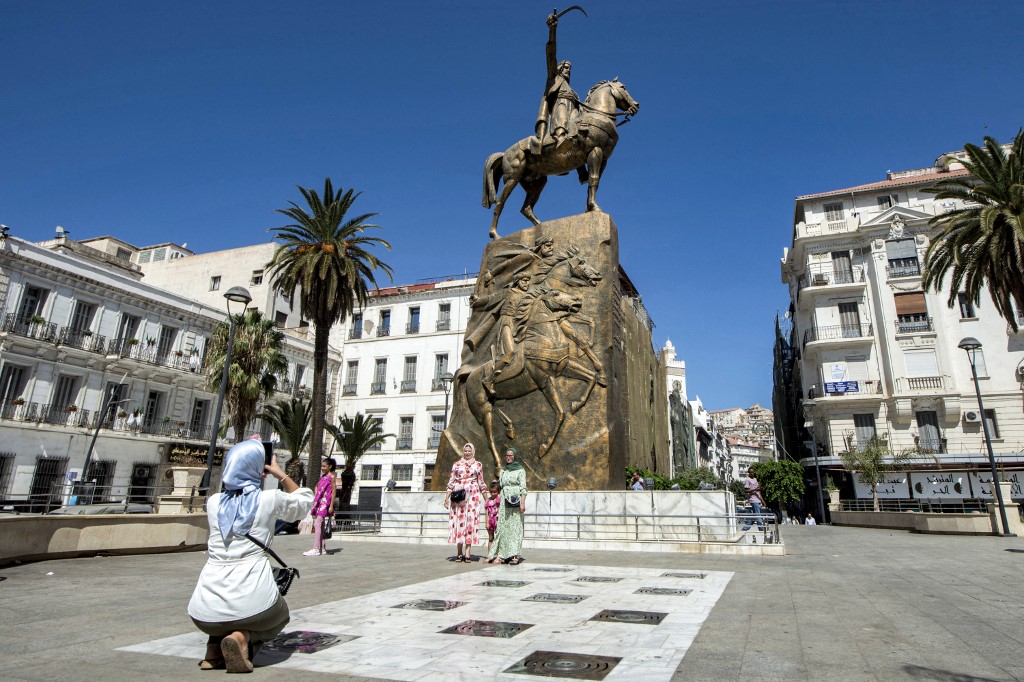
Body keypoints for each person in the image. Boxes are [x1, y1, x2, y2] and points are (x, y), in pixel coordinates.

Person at [187, 438, 313, 673]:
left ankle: (213, 651)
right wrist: (278, 473)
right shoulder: (268, 499)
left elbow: (234, 496)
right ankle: (242, 637)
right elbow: (305, 502)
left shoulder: (214, 503)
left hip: (202, 611)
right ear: (259, 468)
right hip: (254, 602)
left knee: (224, 613)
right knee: (279, 615)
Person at [532, 12, 580, 153]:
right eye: (565, 67)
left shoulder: (573, 92)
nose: (568, 70)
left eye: (569, 69)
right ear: (559, 69)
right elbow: (551, 54)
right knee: (561, 107)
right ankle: (559, 138)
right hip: (560, 109)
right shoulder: (553, 78)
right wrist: (552, 31)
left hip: (574, 112)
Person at [444, 443, 488, 562]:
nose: (467, 453)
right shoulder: (457, 465)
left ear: (473, 452)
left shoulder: (478, 465)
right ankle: (459, 553)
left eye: (469, 451)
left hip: (472, 497)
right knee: (459, 521)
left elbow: (481, 483)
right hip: (459, 496)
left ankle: (467, 553)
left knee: (470, 522)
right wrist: (446, 498)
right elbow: (451, 482)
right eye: (465, 451)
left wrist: (486, 499)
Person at [486, 447, 528, 565]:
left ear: (514, 456)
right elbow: (500, 485)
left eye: (510, 455)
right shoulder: (504, 470)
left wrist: (522, 503)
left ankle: (514, 555)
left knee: (515, 528)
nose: (508, 457)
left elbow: (523, 488)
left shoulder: (520, 470)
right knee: (503, 528)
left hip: (515, 501)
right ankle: (502, 554)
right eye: (506, 455)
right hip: (505, 501)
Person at [304, 457, 337, 557]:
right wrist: (317, 495)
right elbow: (317, 486)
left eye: (324, 466)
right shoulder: (323, 477)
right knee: (320, 525)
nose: (322, 468)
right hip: (320, 503)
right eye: (321, 466)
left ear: (330, 466)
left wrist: (331, 505)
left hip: (325, 503)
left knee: (318, 523)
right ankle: (322, 547)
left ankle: (316, 548)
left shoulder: (332, 477)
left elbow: (334, 491)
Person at [742, 467, 766, 531]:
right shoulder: (747, 480)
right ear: (748, 473)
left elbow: (758, 491)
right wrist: (755, 489)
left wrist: (762, 500)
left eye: (753, 472)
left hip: (758, 500)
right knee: (758, 515)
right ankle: (761, 529)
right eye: (750, 472)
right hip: (753, 500)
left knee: (754, 517)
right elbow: (746, 490)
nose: (752, 473)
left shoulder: (755, 479)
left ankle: (744, 529)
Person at [485, 479, 501, 556]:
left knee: (498, 538)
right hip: (491, 520)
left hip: (497, 520)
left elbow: (500, 510)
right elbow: (487, 513)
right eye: (491, 492)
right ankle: (490, 554)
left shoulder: (499, 499)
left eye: (495, 492)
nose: (493, 493)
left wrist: (498, 520)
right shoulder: (488, 500)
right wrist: (487, 522)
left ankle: (498, 555)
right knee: (491, 538)